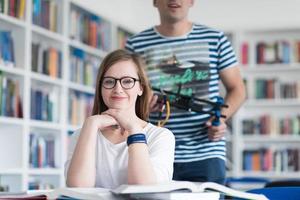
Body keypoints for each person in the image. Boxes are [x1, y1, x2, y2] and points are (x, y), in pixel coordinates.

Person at [125, 0, 246, 184]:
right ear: (155, 1)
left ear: (192, 1)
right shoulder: (135, 45)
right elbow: (125, 93)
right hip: (153, 149)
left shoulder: (215, 39)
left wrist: (220, 118)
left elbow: (238, 89)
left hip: (206, 151)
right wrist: (141, 106)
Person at [65, 49, 175, 189]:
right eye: (109, 81)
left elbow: (144, 189)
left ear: (140, 88)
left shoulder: (161, 136)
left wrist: (134, 129)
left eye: (128, 81)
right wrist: (91, 124)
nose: (118, 89)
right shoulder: (82, 134)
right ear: (100, 88)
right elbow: (78, 187)